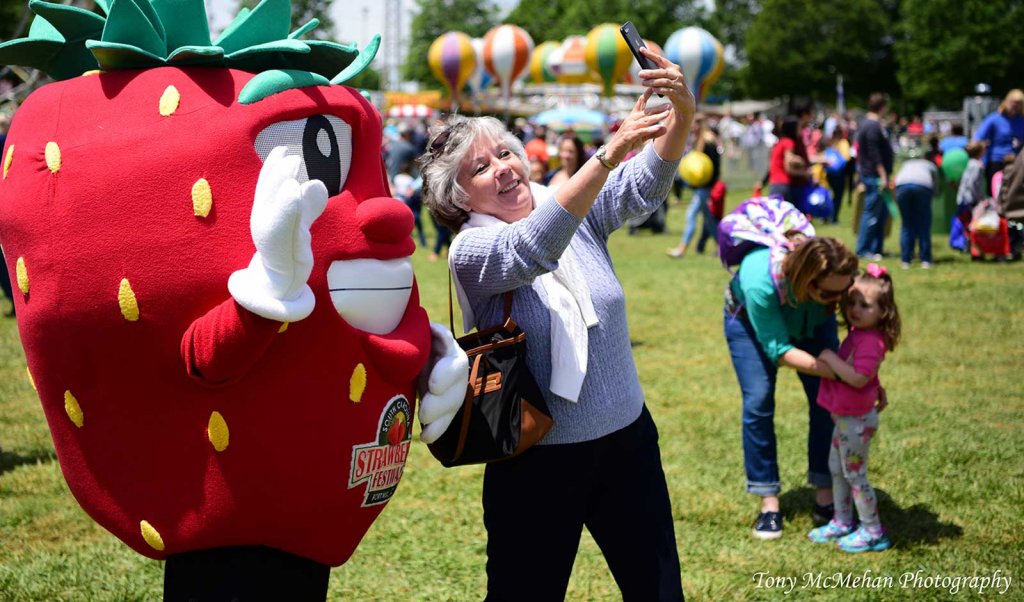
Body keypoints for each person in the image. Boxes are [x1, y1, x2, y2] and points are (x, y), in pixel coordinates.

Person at [419, 47, 694, 600]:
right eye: (481, 167)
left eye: (505, 153)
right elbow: (533, 247)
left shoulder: (568, 201)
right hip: (534, 464)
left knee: (659, 592)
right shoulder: (471, 250)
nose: (503, 168)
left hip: (628, 443)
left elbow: (644, 185)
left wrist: (682, 111)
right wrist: (609, 151)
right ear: (457, 196)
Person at [724, 235, 860, 539]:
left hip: (811, 319)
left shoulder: (832, 282)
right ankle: (768, 501)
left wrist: (862, 376)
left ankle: (826, 493)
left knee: (827, 400)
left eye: (844, 291)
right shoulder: (760, 279)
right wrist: (841, 373)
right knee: (758, 401)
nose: (839, 301)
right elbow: (779, 349)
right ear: (807, 281)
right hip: (750, 323)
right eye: (831, 294)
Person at [809, 263, 900, 553]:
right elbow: (868, 372)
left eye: (865, 305)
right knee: (837, 469)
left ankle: (873, 530)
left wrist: (828, 358)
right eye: (852, 303)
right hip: (845, 418)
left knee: (855, 476)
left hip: (857, 421)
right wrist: (879, 386)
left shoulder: (872, 340)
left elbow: (859, 377)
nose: (855, 310)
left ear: (883, 311)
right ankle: (842, 520)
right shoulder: (859, 334)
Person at [666, 114, 721, 258]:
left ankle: (681, 249)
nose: (693, 126)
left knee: (691, 214)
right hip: (699, 187)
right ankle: (722, 248)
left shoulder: (709, 141)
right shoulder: (697, 140)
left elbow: (715, 166)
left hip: (705, 187)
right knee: (708, 219)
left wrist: (710, 186)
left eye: (696, 123)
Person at [855, 93, 894, 260]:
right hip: (874, 176)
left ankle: (876, 248)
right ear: (882, 107)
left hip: (875, 175)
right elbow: (874, 153)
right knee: (871, 213)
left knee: (881, 214)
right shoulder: (871, 126)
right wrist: (883, 175)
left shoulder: (872, 124)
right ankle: (863, 249)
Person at [893, 156, 940, 268]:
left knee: (906, 224)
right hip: (923, 187)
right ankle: (926, 260)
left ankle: (905, 260)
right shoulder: (931, 165)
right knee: (924, 224)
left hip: (902, 187)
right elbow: (936, 186)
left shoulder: (906, 163)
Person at [973, 89, 1024, 184]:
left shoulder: (1021, 121)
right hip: (996, 162)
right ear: (1006, 102)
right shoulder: (994, 119)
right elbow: (978, 138)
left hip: (1017, 162)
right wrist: (979, 158)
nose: (1015, 106)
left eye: (1019, 103)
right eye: (1013, 102)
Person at [767, 116, 810, 208]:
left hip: (775, 184)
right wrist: (804, 171)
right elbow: (789, 164)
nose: (801, 130)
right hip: (783, 186)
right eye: (799, 127)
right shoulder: (789, 142)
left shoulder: (781, 141)